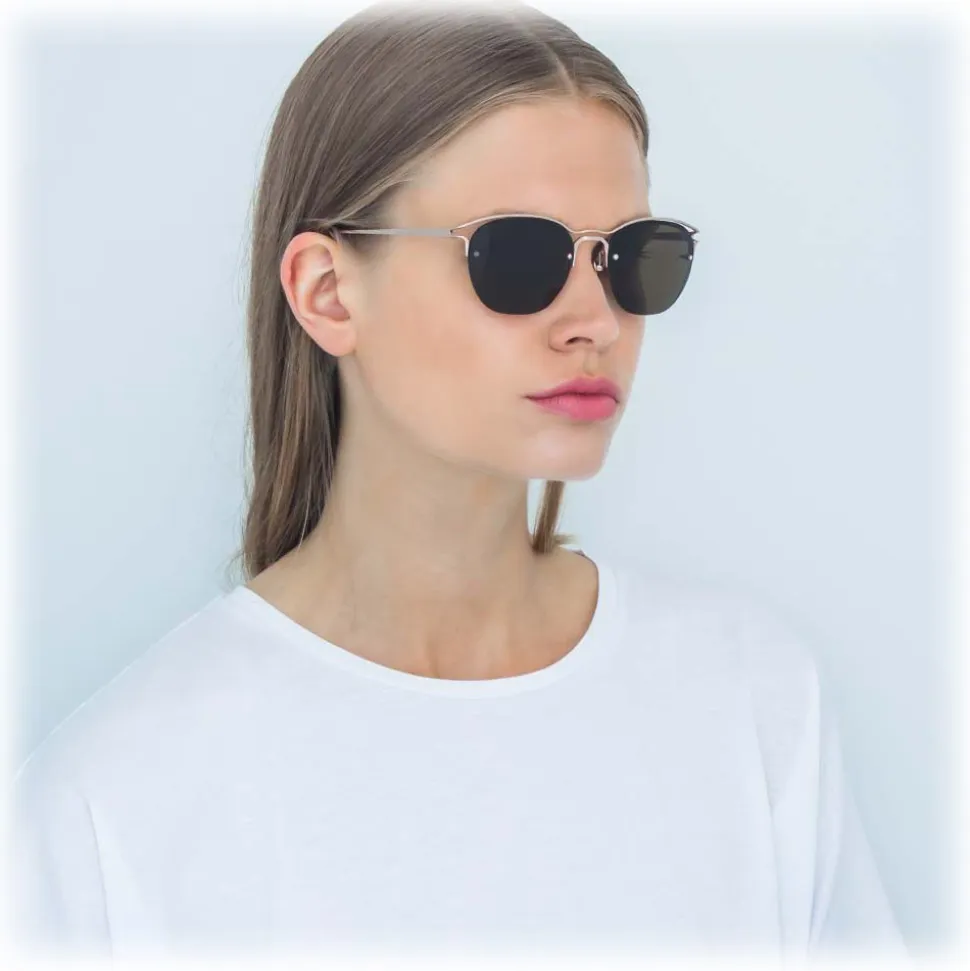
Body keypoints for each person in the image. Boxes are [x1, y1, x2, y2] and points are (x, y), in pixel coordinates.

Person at [11, 0, 910, 962]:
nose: (596, 321)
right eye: (518, 256)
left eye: (632, 260)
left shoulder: (754, 703)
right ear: (326, 291)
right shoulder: (113, 805)